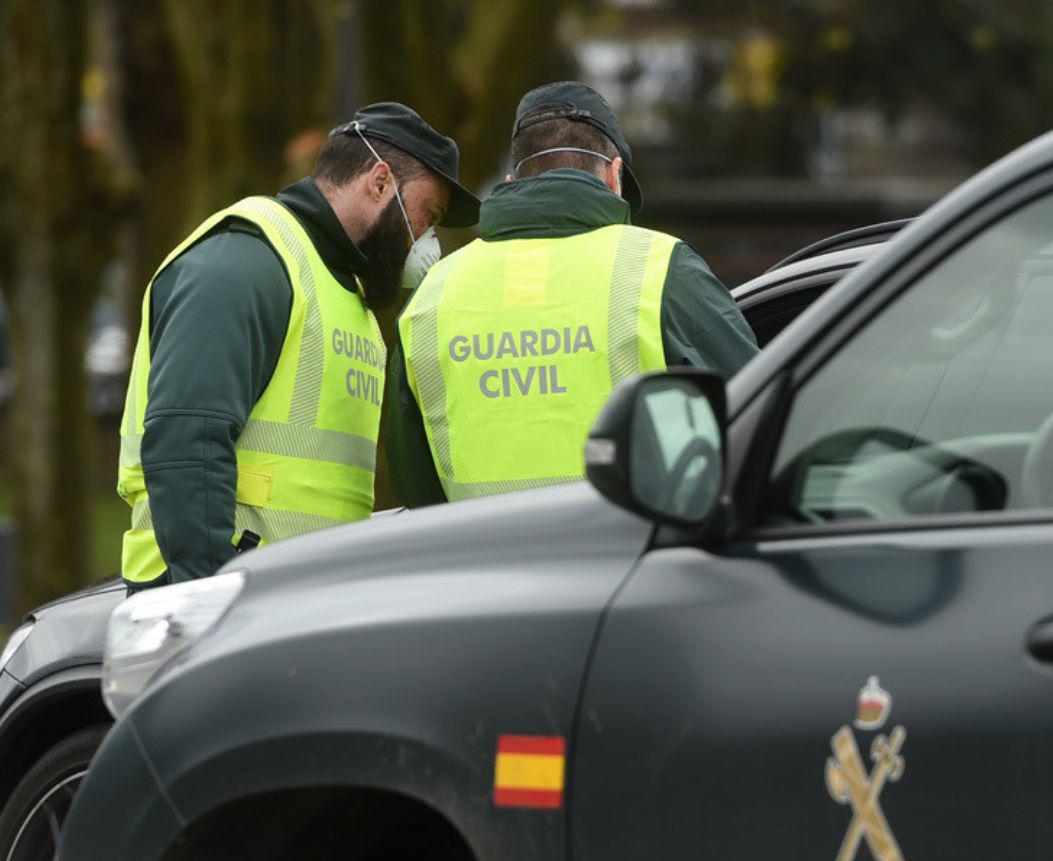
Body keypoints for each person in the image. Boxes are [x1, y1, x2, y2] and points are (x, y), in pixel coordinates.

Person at [117, 102, 479, 590]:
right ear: (379, 181)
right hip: (216, 599)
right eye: (426, 214)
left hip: (290, 601)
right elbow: (188, 444)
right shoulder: (247, 263)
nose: (428, 240)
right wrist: (205, 601)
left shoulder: (346, 296)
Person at [388, 81, 758, 507]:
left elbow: (416, 491)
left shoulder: (433, 296)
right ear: (614, 174)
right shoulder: (662, 270)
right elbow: (763, 419)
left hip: (483, 568)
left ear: (512, 180)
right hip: (630, 568)